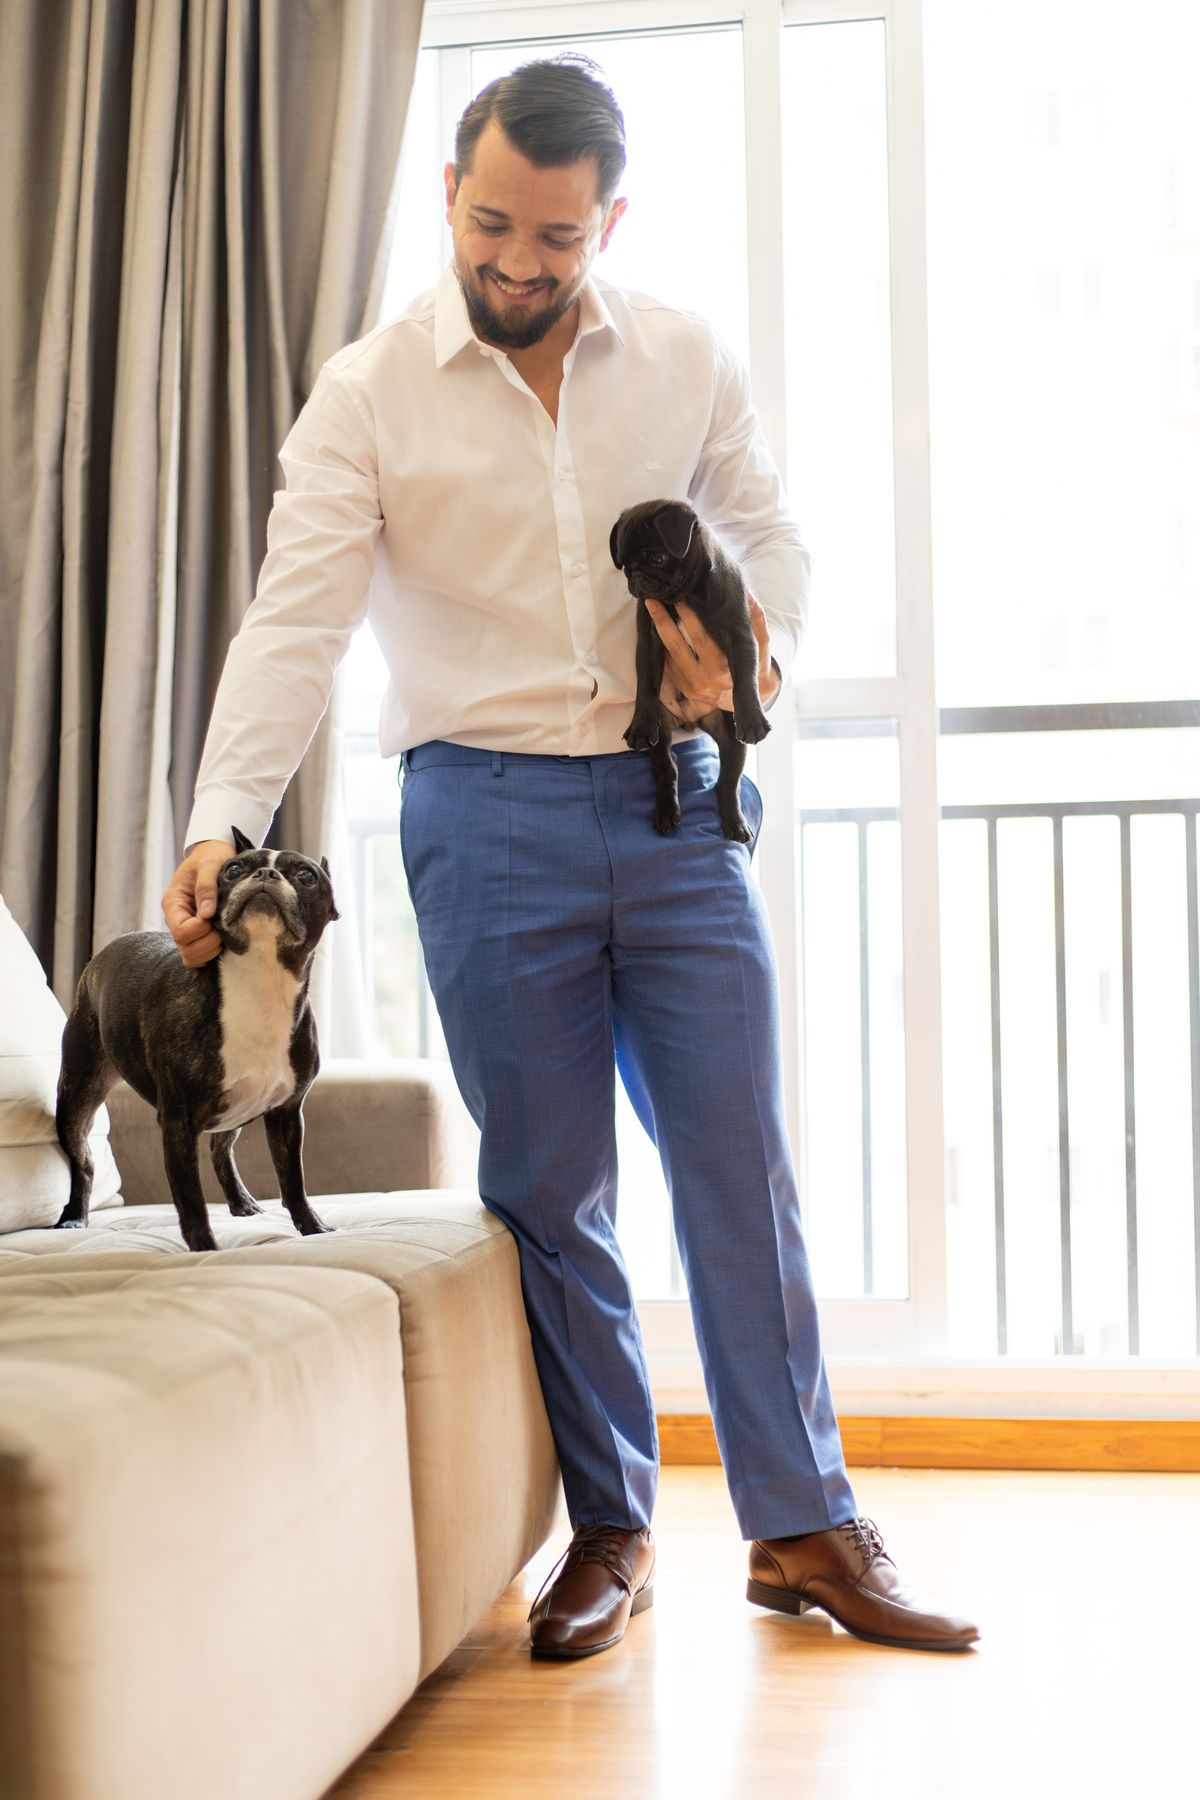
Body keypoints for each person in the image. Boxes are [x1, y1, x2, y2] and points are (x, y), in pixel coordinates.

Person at [164, 56, 977, 1659]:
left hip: (676, 804)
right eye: (492, 226)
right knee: (551, 1188)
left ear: (610, 221)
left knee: (737, 1163)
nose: (520, 263)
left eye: (556, 235)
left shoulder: (682, 357)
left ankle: (802, 1524)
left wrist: (751, 651)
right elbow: (296, 623)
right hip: (480, 816)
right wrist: (217, 819)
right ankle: (613, 1527)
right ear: (448, 197)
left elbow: (775, 536)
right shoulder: (368, 393)